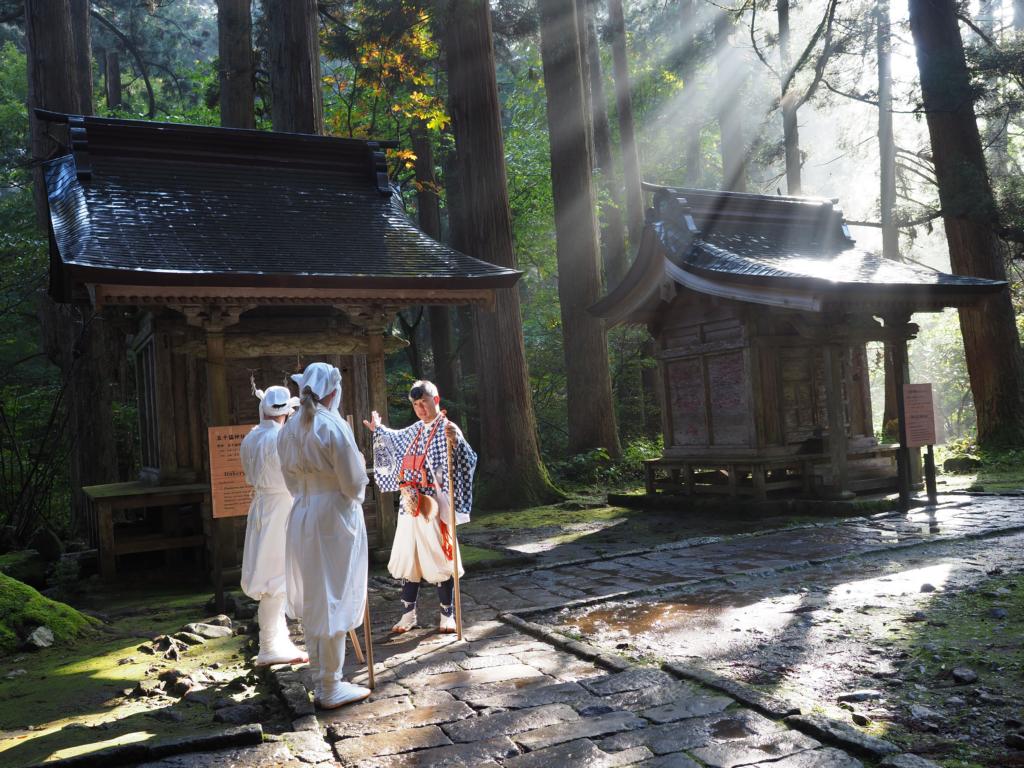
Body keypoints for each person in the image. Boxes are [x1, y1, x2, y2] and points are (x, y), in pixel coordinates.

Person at [278, 362, 371, 709]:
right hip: (333, 515)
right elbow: (352, 482)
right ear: (333, 391)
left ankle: (322, 676)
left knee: (318, 594)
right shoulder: (332, 425)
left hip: (302, 512)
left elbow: (288, 479)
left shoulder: (288, 429)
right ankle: (330, 684)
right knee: (334, 592)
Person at [363, 380, 477, 634]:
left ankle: (447, 614)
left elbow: (469, 458)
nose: (420, 409)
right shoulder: (415, 429)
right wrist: (379, 430)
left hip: (434, 506)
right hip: (409, 504)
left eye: (424, 402)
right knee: (408, 558)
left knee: (439, 557)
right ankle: (408, 614)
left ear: (435, 400)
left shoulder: (448, 428)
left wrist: (456, 443)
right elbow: (394, 439)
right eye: (415, 404)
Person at [240, 384, 308, 667]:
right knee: (275, 577)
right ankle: (269, 645)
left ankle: (278, 640)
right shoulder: (281, 438)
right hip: (281, 505)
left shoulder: (251, 437)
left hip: (262, 505)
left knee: (273, 575)